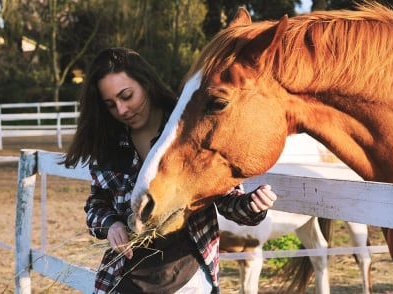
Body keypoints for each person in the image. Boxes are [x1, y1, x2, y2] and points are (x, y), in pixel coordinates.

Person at [63, 47, 278, 294]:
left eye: (127, 95)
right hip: (124, 278)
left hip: (186, 279)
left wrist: (252, 205)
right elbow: (96, 204)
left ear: (146, 84)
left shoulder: (190, 130)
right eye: (111, 104)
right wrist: (111, 224)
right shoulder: (109, 145)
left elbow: (226, 198)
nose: (122, 110)